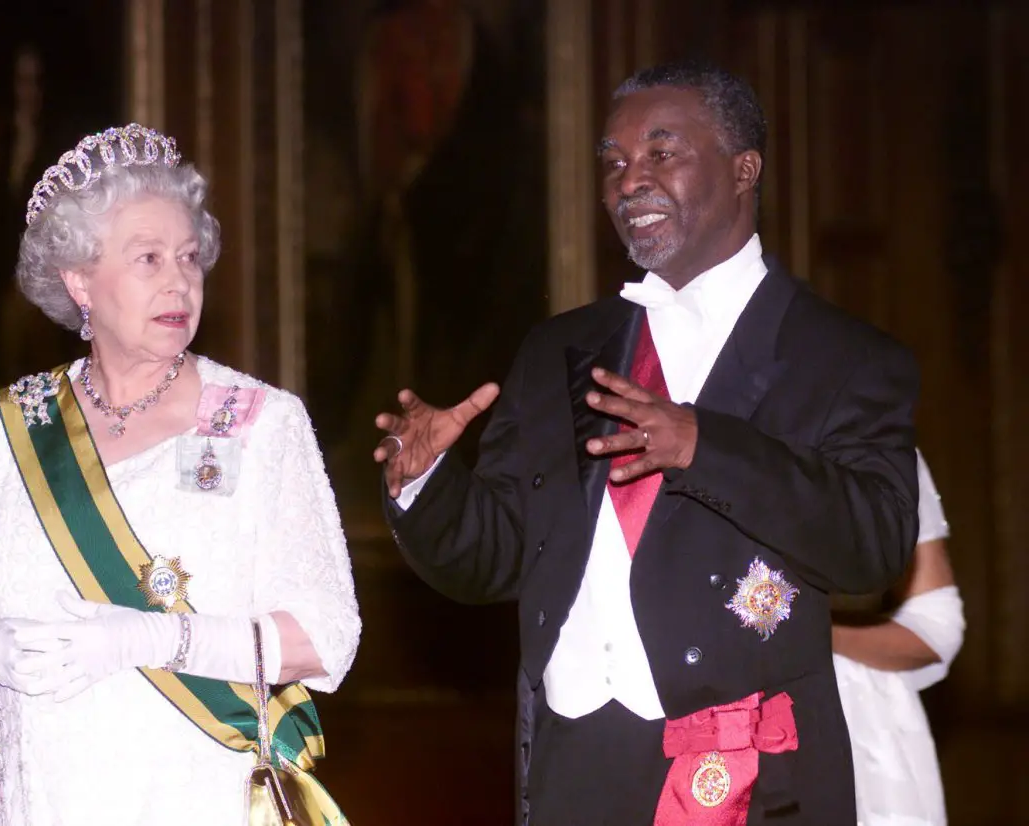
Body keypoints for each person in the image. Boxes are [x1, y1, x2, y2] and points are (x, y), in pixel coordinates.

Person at [373, 60, 919, 825]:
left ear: (743, 169)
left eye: (662, 154)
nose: (631, 181)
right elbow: (496, 556)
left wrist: (705, 445)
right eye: (615, 162)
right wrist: (427, 484)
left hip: (745, 779)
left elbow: (874, 549)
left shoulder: (844, 357)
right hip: (572, 767)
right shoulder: (560, 349)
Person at [0, 124, 360, 825]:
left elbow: (325, 635)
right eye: (148, 258)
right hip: (47, 800)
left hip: (200, 798)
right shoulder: (11, 425)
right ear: (79, 279)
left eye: (188, 256)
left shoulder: (259, 421)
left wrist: (147, 639)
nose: (179, 279)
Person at [833, 449, 964, 825]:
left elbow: (937, 627)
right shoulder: (675, 426)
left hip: (856, 723)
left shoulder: (876, 444)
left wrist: (811, 631)